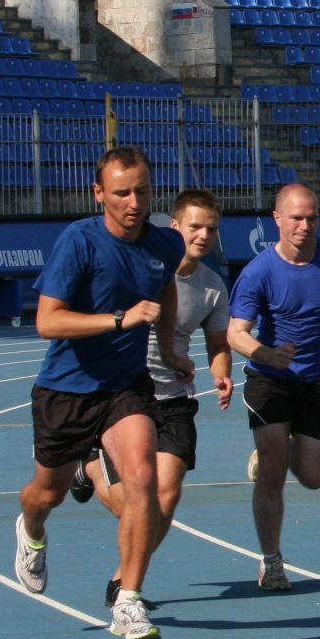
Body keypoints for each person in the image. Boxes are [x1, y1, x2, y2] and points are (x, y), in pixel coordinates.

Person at [14, 146, 192, 639]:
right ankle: (30, 531)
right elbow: (46, 322)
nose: (133, 202)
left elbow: (166, 289)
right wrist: (119, 318)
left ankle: (129, 601)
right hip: (67, 389)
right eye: (121, 193)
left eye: (142, 191)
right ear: (99, 194)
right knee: (45, 494)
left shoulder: (164, 244)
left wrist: (170, 347)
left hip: (124, 387)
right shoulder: (79, 243)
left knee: (142, 478)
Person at [69, 188, 233, 610]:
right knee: (134, 504)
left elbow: (218, 344)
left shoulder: (213, 287)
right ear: (174, 226)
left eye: (211, 229)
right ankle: (87, 467)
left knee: (167, 495)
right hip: (125, 394)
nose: (202, 236)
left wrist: (221, 375)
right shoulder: (139, 266)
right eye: (194, 227)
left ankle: (124, 582)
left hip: (175, 396)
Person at [227, 183, 320, 591]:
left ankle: (279, 450)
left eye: (312, 218)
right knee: (273, 471)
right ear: (277, 219)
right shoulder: (259, 271)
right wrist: (263, 353)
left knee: (312, 476)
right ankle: (272, 561)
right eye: (296, 218)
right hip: (271, 379)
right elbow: (235, 332)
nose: (304, 226)